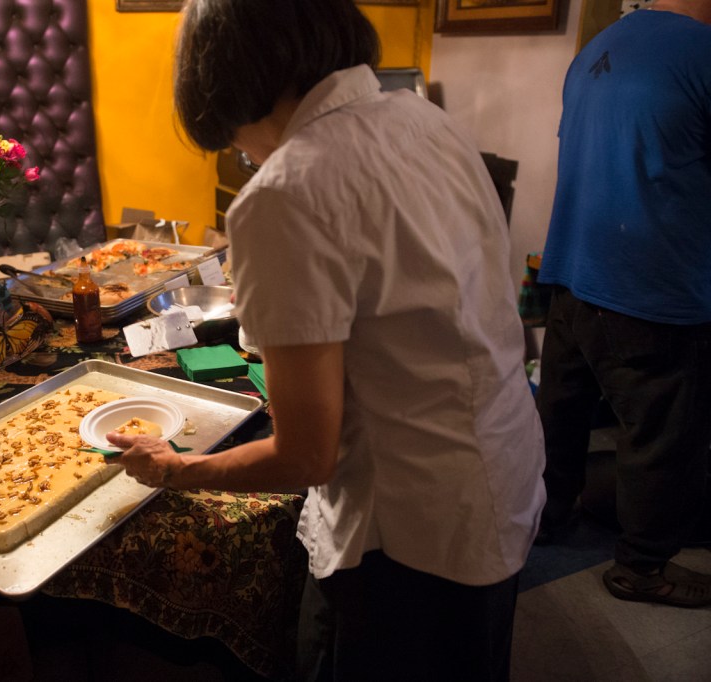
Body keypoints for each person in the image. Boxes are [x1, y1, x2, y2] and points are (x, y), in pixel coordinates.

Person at [105, 1, 545, 679]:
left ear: (235, 79)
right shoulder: (424, 119)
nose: (240, 151)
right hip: (498, 466)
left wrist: (174, 469)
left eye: (231, 137)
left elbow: (306, 454)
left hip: (410, 530)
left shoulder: (286, 189)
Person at [535, 0, 711, 608]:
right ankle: (642, 567)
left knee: (562, 412)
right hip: (649, 290)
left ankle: (549, 515)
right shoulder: (702, 53)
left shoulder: (593, 50)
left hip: (570, 273)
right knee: (663, 434)